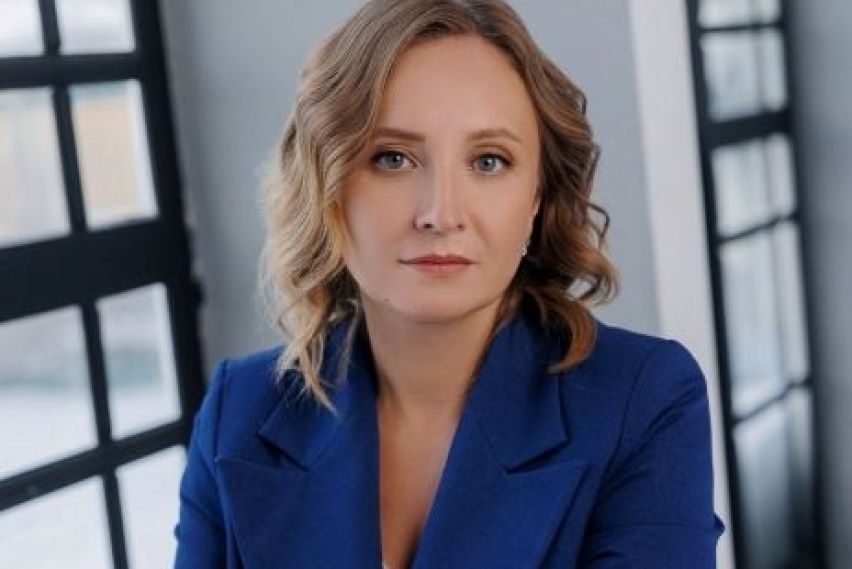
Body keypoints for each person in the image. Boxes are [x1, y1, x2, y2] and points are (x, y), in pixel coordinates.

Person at [172, 1, 726, 568]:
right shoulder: (239, 411)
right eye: (392, 158)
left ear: (537, 197)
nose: (440, 214)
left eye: (489, 162)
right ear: (327, 187)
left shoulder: (642, 400)